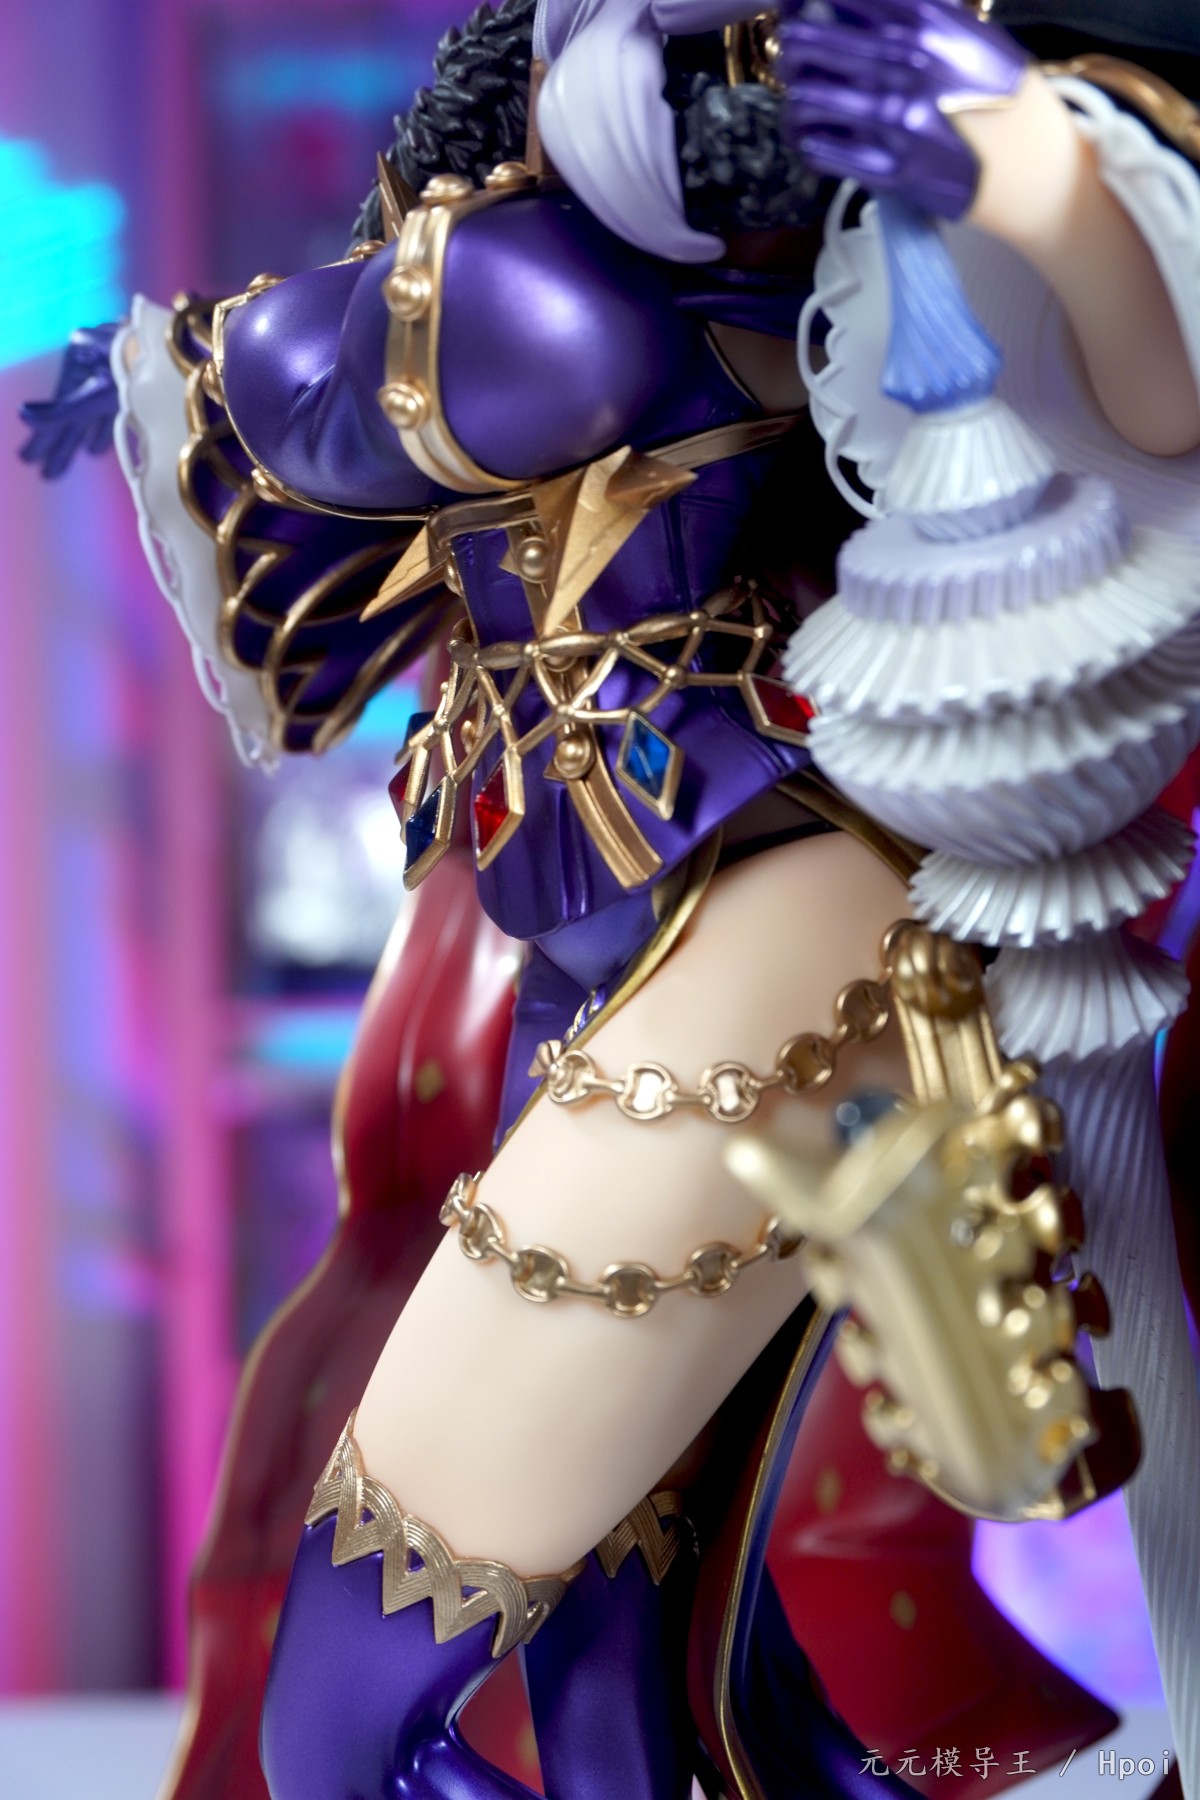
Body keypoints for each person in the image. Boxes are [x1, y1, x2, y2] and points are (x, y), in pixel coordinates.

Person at [21, 1, 1200, 1794]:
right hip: (614, 913)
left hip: (766, 926)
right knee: (616, 1709)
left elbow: (339, 402)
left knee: (340, 1729)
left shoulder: (593, 268)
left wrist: (1032, 175)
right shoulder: (600, 178)